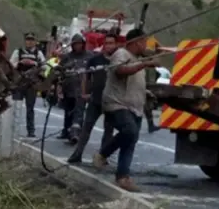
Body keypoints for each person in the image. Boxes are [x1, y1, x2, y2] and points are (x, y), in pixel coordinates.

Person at [94, 27, 158, 192]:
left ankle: (123, 177)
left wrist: (146, 93)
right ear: (135, 42)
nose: (145, 45)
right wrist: (144, 64)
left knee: (130, 140)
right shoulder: (121, 54)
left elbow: (134, 84)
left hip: (134, 107)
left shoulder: (136, 58)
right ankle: (102, 154)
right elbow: (120, 71)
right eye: (144, 41)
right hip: (117, 104)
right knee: (129, 132)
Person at [68, 32, 118, 164]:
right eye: (106, 43)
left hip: (111, 101)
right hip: (95, 99)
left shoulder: (118, 61)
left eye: (111, 43)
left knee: (108, 131)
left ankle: (102, 157)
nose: (108, 46)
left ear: (116, 44)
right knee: (86, 129)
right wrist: (84, 93)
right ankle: (77, 154)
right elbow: (86, 76)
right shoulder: (95, 60)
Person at [9, 32, 46, 138]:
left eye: (32, 40)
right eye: (28, 40)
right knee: (16, 107)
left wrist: (34, 63)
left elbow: (44, 66)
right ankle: (13, 129)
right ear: (25, 41)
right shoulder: (18, 52)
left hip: (32, 84)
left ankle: (31, 131)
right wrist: (20, 63)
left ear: (35, 41)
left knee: (30, 108)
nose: (29, 42)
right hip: (19, 83)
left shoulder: (38, 53)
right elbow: (11, 65)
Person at [58, 33, 93, 144]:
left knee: (79, 112)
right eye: (75, 44)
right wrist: (58, 87)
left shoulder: (90, 57)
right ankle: (66, 131)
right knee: (68, 112)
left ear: (83, 44)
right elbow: (60, 72)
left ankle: (75, 134)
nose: (77, 46)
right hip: (68, 89)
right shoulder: (67, 57)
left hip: (82, 90)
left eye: (79, 44)